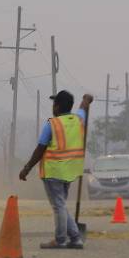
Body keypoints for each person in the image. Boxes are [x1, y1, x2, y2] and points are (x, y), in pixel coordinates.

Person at [19, 90, 93, 249]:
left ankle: (61, 240)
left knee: (58, 206)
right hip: (70, 172)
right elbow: (83, 106)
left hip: (53, 171)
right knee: (61, 204)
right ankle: (75, 238)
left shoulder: (52, 124)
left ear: (57, 107)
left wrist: (27, 168)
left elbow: (40, 149)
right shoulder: (79, 119)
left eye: (54, 103)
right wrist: (87, 99)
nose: (53, 106)